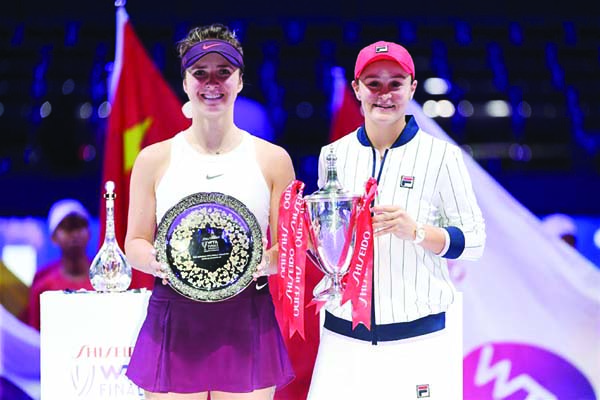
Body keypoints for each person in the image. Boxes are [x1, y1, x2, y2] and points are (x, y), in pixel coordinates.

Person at [124, 23, 295, 399]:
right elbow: (134, 242)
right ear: (185, 82)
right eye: (200, 73)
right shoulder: (153, 159)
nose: (212, 83)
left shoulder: (273, 160)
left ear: (240, 81)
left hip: (246, 313)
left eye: (224, 73)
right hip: (175, 314)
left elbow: (288, 251)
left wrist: (257, 262)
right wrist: (160, 261)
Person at [307, 41, 486, 399]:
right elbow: (329, 238)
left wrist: (417, 232)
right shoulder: (334, 155)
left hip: (418, 340)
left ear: (412, 88)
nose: (384, 94)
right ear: (357, 88)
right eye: (374, 83)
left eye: (395, 83)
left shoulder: (442, 157)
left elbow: (475, 241)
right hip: (344, 336)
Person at [24, 199, 94, 331]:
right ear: (53, 237)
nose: (74, 234)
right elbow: (35, 335)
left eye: (79, 226)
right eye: (67, 228)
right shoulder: (43, 285)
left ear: (89, 233)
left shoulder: (106, 279)